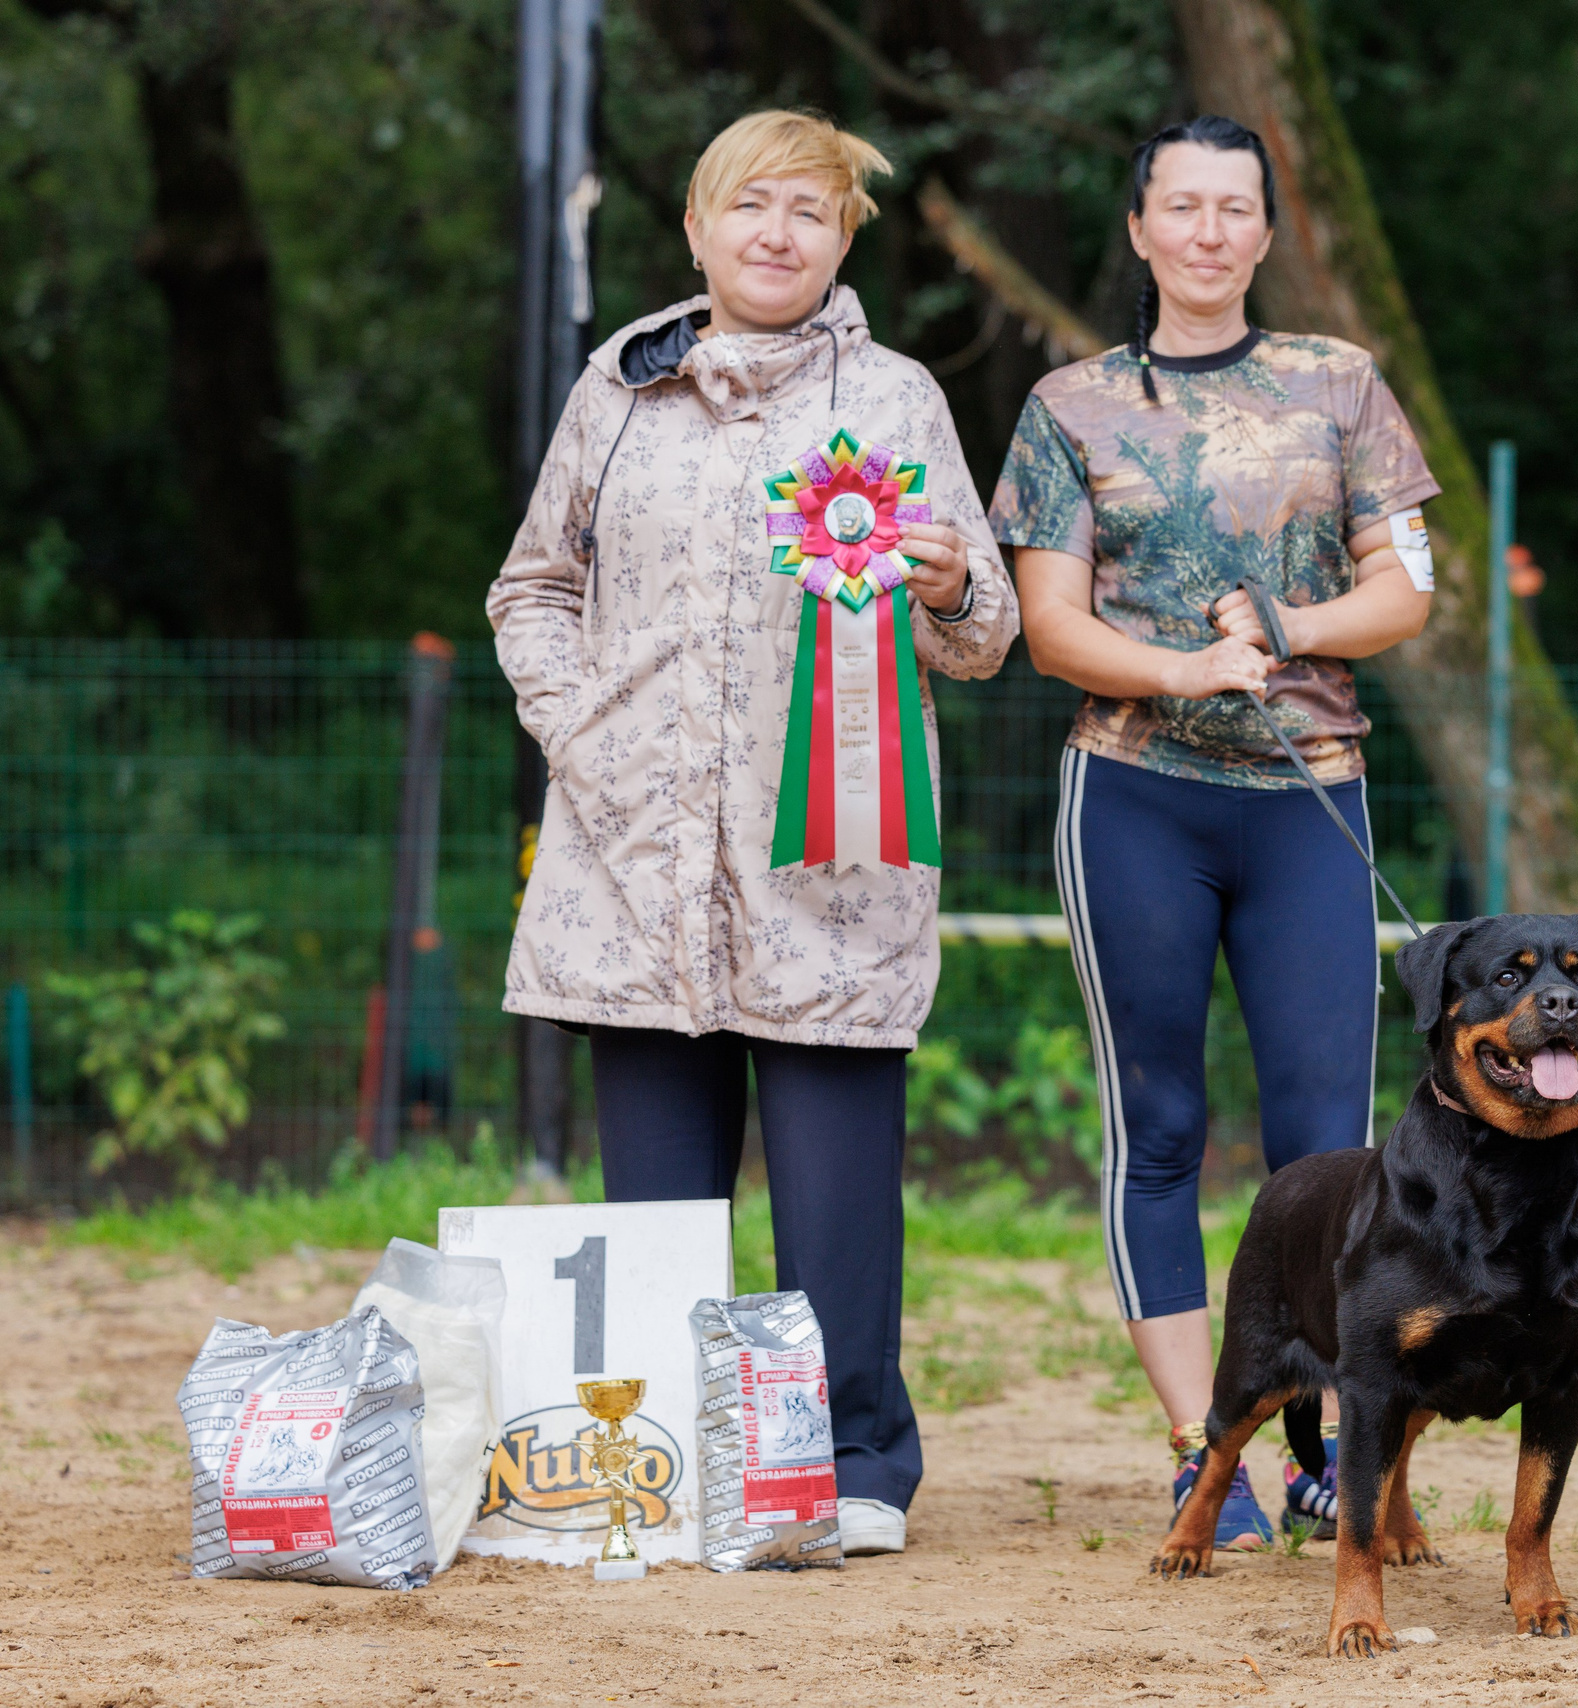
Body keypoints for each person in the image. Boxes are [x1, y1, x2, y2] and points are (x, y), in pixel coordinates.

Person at [486, 109, 1019, 1557]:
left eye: (813, 211)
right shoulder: (617, 384)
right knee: (659, 1213)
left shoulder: (900, 396)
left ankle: (854, 1464)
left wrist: (957, 579)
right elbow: (530, 585)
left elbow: (986, 642)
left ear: (848, 239)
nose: (779, 232)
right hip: (631, 861)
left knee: (838, 1207)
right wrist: (575, 727)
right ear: (701, 228)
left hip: (829, 873)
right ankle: (660, 1458)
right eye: (752, 205)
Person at [989, 115, 1441, 1549]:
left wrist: (1292, 629)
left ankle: (1330, 1447)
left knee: (1327, 1147)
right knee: (1162, 1127)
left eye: (1232, 208)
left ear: (1262, 231)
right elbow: (1052, 631)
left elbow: (1409, 593)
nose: (1205, 231)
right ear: (1139, 231)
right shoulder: (1071, 405)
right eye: (1178, 207)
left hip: (1309, 790)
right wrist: (1185, 669)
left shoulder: (1340, 385)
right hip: (1133, 796)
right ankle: (1203, 1450)